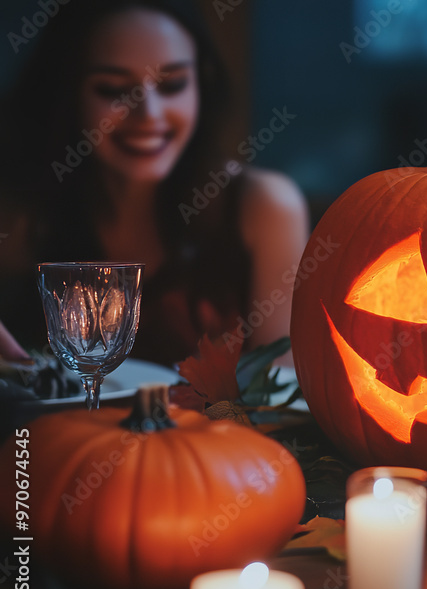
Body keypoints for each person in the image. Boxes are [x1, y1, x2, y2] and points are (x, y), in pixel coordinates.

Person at [0, 0, 308, 367]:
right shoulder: (21, 214)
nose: (150, 114)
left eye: (173, 84)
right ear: (67, 95)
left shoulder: (264, 207)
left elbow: (279, 395)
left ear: (201, 85)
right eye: (114, 89)